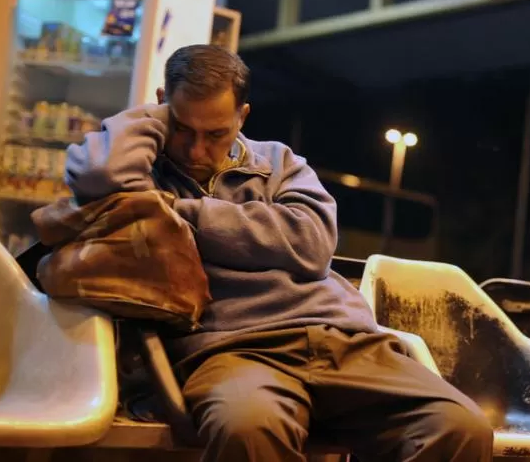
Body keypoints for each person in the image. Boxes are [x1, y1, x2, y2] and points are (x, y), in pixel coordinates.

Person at [65, 45, 493, 462]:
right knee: (249, 428)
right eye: (182, 128)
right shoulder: (142, 170)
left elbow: (311, 244)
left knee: (459, 427)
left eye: (215, 133)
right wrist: (151, 120)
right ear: (162, 108)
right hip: (230, 349)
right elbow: (99, 174)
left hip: (344, 342)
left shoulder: (278, 162)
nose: (197, 151)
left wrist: (179, 212)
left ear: (242, 116)